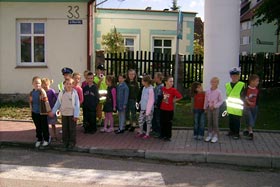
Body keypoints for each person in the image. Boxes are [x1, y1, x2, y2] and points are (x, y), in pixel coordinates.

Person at [50, 78, 80, 149]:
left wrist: (76, 115)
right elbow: (58, 103)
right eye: (67, 84)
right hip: (64, 114)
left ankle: (72, 142)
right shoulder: (62, 93)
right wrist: (53, 111)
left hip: (72, 114)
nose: (69, 85)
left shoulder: (74, 93)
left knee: (72, 129)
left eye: (70, 84)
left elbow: (77, 105)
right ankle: (65, 142)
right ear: (64, 85)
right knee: (65, 129)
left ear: (72, 85)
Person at [29, 76, 51, 148]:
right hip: (35, 113)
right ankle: (39, 139)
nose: (37, 84)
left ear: (41, 84)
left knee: (44, 126)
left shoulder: (42, 91)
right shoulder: (31, 93)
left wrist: (49, 111)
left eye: (39, 83)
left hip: (42, 112)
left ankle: (47, 139)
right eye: (35, 83)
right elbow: (30, 102)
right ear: (32, 83)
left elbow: (46, 101)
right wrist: (31, 110)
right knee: (38, 127)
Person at [160, 75, 183, 141]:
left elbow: (180, 96)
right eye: (170, 81)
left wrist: (174, 100)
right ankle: (163, 134)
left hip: (169, 109)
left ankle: (168, 136)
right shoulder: (162, 89)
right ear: (166, 82)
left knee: (168, 123)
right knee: (162, 122)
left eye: (172, 81)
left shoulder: (173, 90)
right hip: (162, 108)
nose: (172, 83)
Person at [225, 67, 245, 140]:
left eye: (236, 76)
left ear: (238, 76)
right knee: (231, 120)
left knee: (237, 121)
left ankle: (237, 133)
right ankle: (231, 131)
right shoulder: (227, 85)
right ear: (231, 76)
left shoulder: (241, 84)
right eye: (233, 76)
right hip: (230, 106)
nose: (235, 77)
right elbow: (227, 95)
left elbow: (243, 95)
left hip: (237, 107)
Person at [204, 77, 223, 143]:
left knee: (215, 122)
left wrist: (215, 106)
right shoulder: (208, 91)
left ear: (217, 83)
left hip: (215, 109)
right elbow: (206, 100)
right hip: (209, 108)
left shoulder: (219, 92)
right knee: (209, 121)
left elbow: (221, 101)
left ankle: (215, 135)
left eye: (215, 82)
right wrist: (205, 107)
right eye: (212, 82)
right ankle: (209, 134)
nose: (213, 83)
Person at [136, 75, 154, 139]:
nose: (141, 82)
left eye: (142, 81)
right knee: (140, 120)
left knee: (148, 121)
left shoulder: (151, 89)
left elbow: (151, 101)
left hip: (148, 109)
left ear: (146, 82)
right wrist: (140, 103)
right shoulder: (144, 88)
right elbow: (143, 97)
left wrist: (148, 111)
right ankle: (141, 132)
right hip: (143, 108)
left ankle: (147, 133)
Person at [242, 74, 260, 140]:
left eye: (258, 81)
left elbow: (257, 98)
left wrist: (256, 105)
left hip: (254, 107)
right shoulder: (247, 89)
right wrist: (246, 102)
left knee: (252, 118)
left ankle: (247, 130)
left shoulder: (257, 90)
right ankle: (251, 132)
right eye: (256, 81)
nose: (257, 83)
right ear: (251, 81)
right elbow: (243, 97)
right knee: (250, 119)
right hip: (247, 107)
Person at [152, 72, 164, 138]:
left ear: (159, 78)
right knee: (154, 118)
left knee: (158, 118)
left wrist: (157, 104)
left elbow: (159, 97)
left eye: (155, 77)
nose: (154, 78)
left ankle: (159, 132)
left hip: (158, 106)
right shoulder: (156, 86)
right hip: (154, 105)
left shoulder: (161, 87)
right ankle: (155, 130)